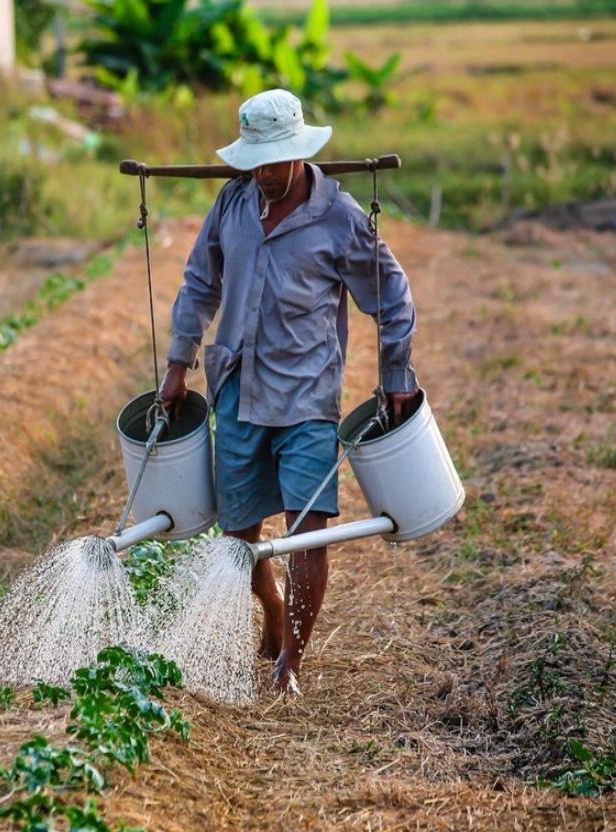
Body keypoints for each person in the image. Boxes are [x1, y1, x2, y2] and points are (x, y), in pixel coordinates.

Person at [157, 88, 419, 696]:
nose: (264, 174)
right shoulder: (233, 202)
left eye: (274, 162)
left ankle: (289, 665)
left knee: (308, 530)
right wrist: (178, 362)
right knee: (239, 538)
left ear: (300, 153)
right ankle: (271, 609)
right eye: (255, 162)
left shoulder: (340, 219)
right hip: (238, 390)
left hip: (307, 398)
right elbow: (200, 283)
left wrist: (396, 373)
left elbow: (393, 297)